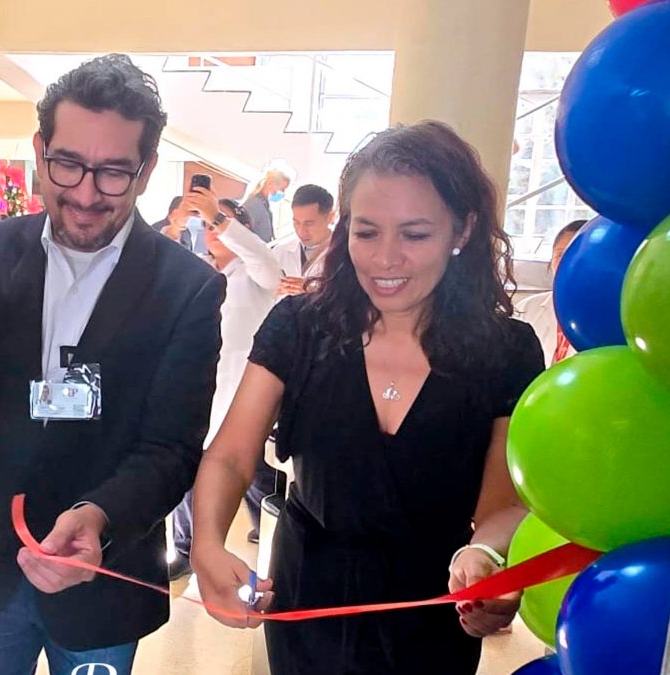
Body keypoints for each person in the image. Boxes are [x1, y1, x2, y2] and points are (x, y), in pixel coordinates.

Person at [0, 54, 225, 675]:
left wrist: (100, 517)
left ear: (148, 170)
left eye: (113, 174)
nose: (84, 194)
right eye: (67, 164)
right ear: (40, 149)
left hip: (101, 571)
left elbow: (171, 446)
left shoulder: (188, 287)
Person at [189, 121, 545, 674]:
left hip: (431, 609)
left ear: (463, 230)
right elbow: (233, 453)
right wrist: (207, 544)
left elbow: (499, 506)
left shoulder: (507, 350)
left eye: (415, 234)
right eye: (367, 231)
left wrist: (486, 560)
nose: (385, 259)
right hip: (309, 596)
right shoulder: (300, 327)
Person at [168, 191, 284, 579]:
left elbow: (266, 263)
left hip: (242, 395)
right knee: (190, 469)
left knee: (252, 472)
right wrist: (176, 224)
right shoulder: (197, 271)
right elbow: (152, 267)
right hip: (197, 391)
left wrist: (219, 216)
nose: (212, 230)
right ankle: (184, 548)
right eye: (206, 224)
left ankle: (272, 533)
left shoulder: (257, 275)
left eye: (217, 223)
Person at [515, 219, 586, 367]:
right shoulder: (526, 309)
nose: (566, 263)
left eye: (575, 254)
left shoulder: (607, 319)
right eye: (560, 255)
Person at [273, 183, 336, 296]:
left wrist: (312, 290)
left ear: (330, 217)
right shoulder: (281, 251)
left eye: (309, 224)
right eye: (296, 223)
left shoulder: (347, 254)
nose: (301, 231)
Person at [241, 158, 296, 244]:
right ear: (270, 183)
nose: (283, 193)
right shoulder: (255, 204)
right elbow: (241, 231)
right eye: (282, 189)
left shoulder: (265, 206)